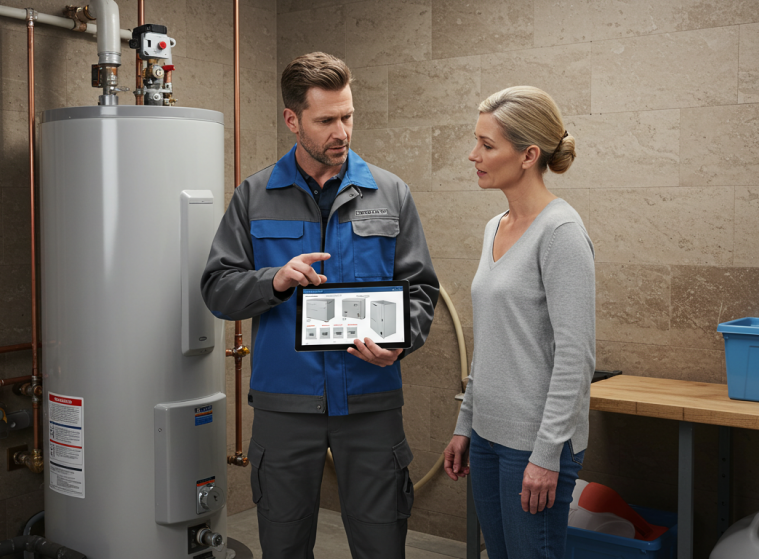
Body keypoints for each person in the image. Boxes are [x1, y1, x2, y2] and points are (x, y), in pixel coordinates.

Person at [201, 52, 439, 558]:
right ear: (293, 120)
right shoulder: (255, 195)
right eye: (326, 120)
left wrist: (400, 342)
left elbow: (421, 290)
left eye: (347, 116)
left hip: (371, 400)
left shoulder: (390, 193)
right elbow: (218, 288)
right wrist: (276, 280)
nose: (342, 131)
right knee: (284, 546)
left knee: (381, 546)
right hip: (285, 404)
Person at [441, 86, 595, 559]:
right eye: (476, 141)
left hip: (535, 446)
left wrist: (547, 455)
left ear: (529, 154)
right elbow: (491, 343)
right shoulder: (495, 226)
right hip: (487, 437)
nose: (473, 155)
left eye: (488, 145)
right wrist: (466, 423)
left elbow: (576, 356)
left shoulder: (561, 232)